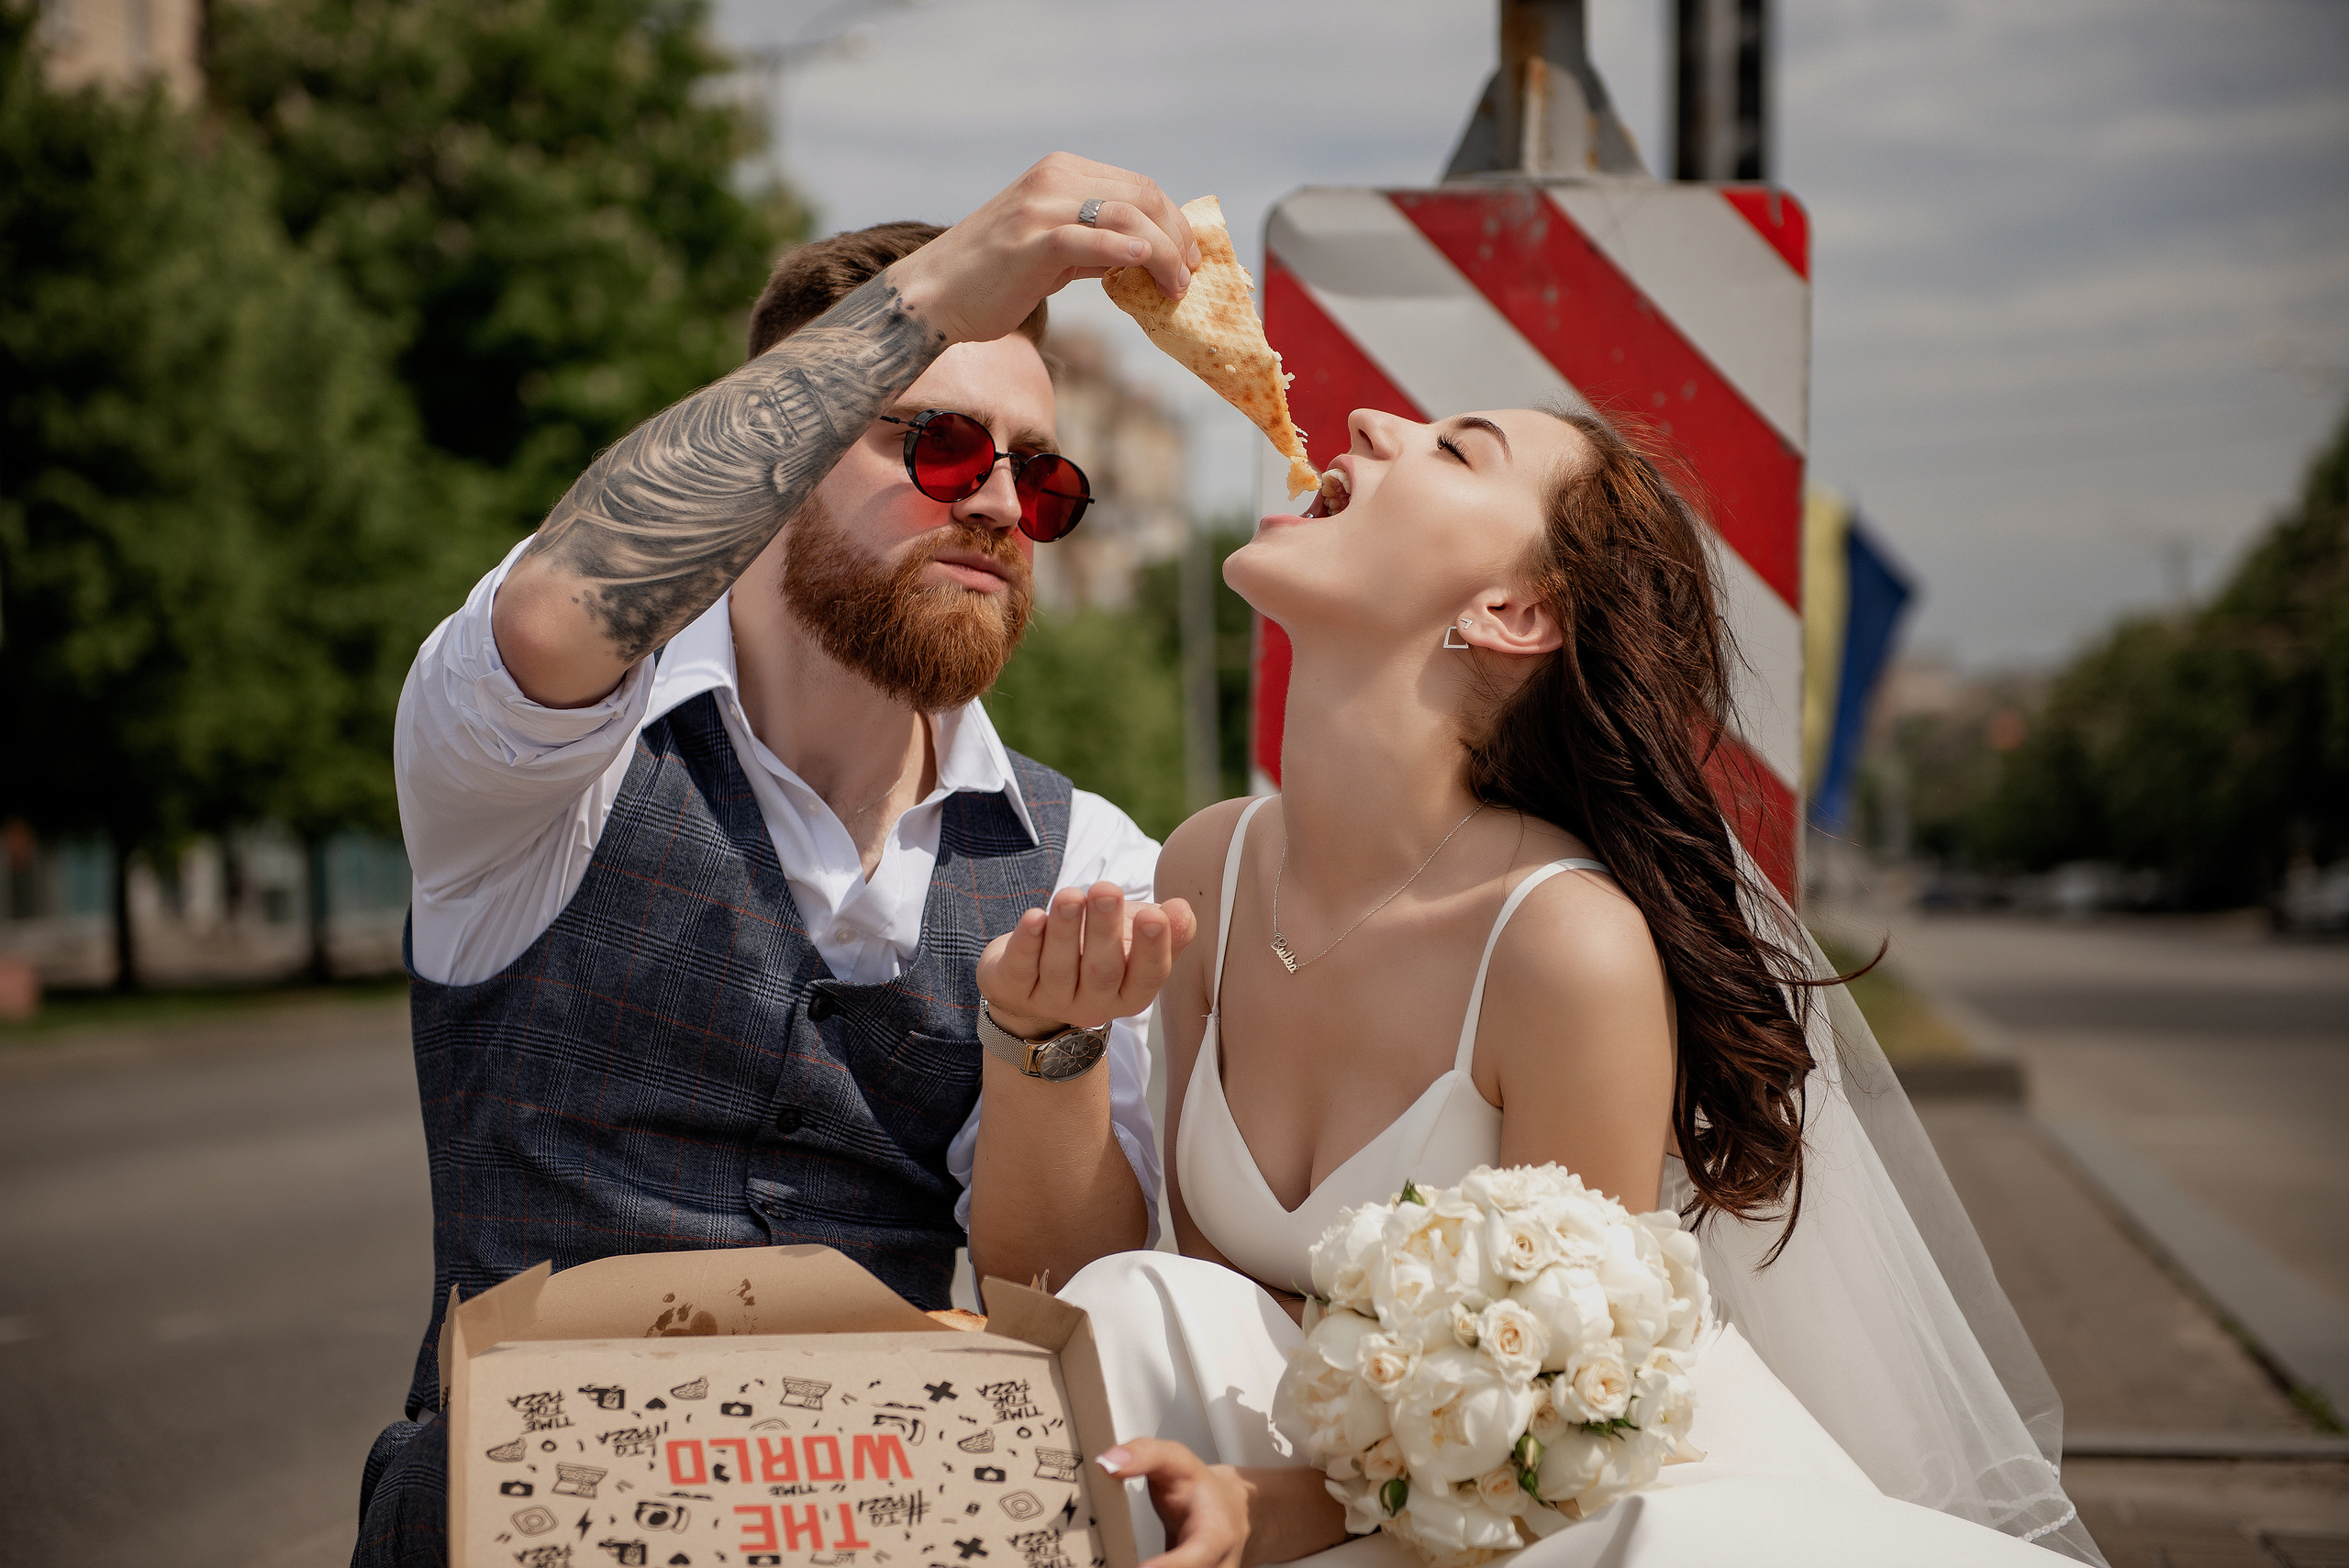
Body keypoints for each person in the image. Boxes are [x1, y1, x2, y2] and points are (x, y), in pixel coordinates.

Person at [979, 406, 2110, 1565]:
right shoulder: (1207, 866)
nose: (1366, 418)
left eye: (1457, 447)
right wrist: (1041, 1040)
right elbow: (1175, 1324)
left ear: (1510, 611)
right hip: (1314, 1469)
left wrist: (1259, 1512)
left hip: (1566, 1508)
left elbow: (1552, 1420)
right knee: (1137, 1297)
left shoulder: (1564, 947)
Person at [354, 155, 1205, 1568]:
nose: (995, 500)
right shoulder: (559, 764)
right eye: (935, 443)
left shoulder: (1086, 856)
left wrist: (1040, 1051)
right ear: (781, 453)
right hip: (520, 1521)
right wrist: (947, 281)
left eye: (1038, 475)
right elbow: (570, 600)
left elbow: (1058, 1297)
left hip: (885, 1523)